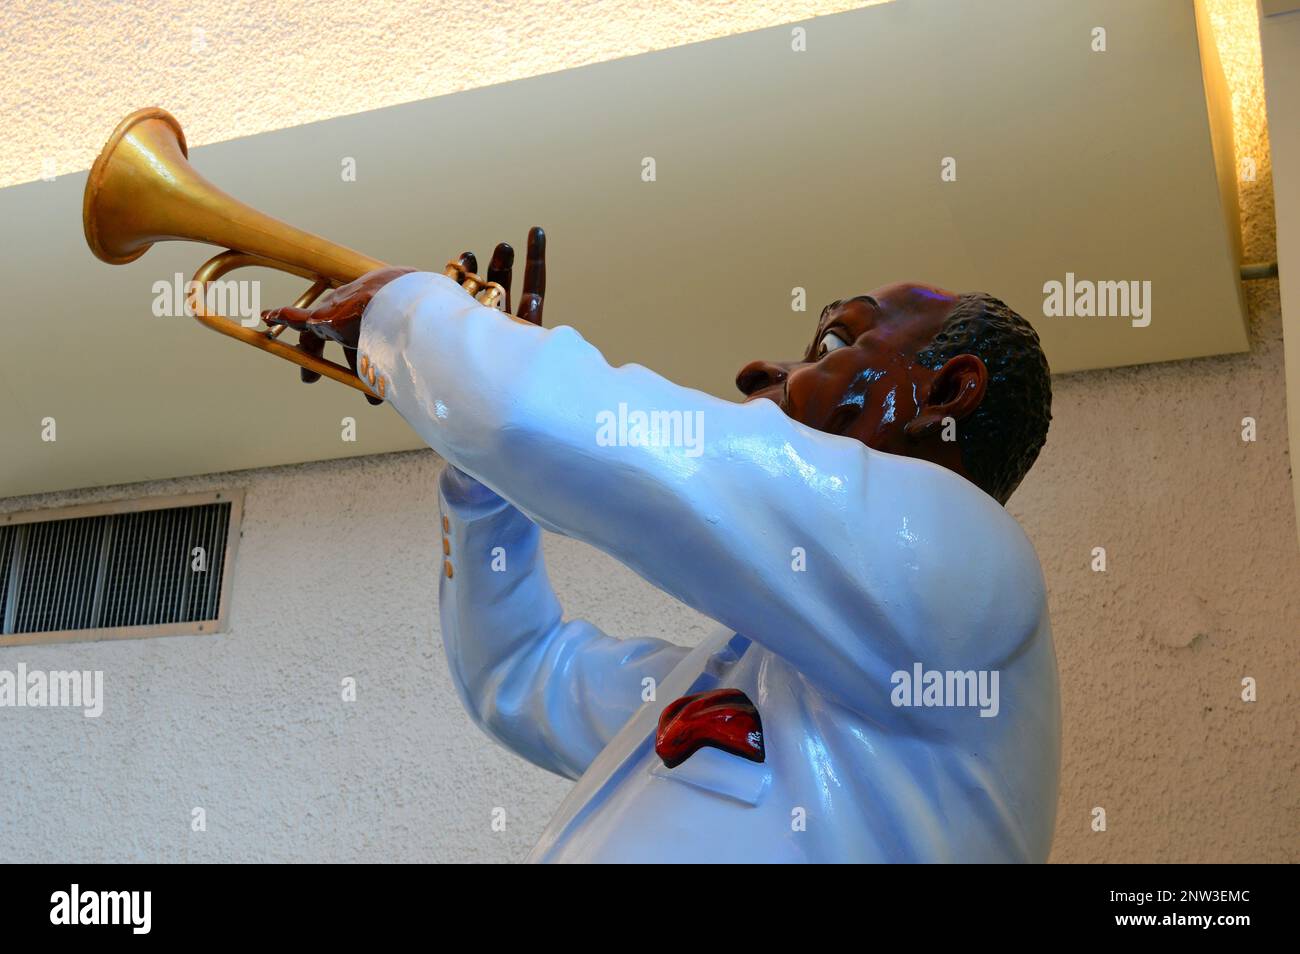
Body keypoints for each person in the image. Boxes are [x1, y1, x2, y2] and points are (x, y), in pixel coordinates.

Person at [265, 228, 1060, 863]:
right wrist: (484, 481)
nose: (757, 370)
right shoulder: (768, 670)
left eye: (831, 344)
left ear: (948, 394)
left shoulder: (972, 561)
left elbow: (558, 422)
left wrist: (407, 315)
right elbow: (517, 673)